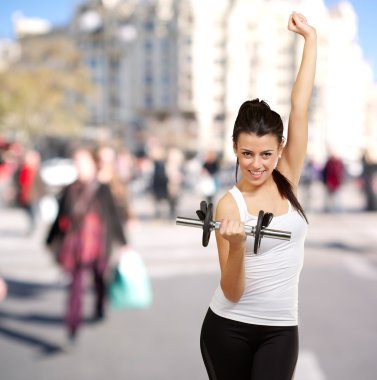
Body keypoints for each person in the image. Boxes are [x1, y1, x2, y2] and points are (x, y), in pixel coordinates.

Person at [200, 12, 316, 380]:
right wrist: (235, 246)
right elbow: (232, 292)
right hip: (228, 328)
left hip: (282, 329)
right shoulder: (228, 204)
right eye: (247, 153)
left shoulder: (287, 179)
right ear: (234, 147)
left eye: (266, 153)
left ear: (280, 149)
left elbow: (300, 105)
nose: (256, 164)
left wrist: (310, 40)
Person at [46, 146, 127, 343]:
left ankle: (100, 306)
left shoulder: (102, 188)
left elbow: (113, 216)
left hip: (98, 246)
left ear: (93, 164)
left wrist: (123, 242)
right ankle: (72, 329)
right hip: (76, 247)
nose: (79, 167)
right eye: (76, 163)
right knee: (75, 288)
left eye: (83, 163)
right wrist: (50, 241)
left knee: (100, 279)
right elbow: (60, 218)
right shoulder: (70, 189)